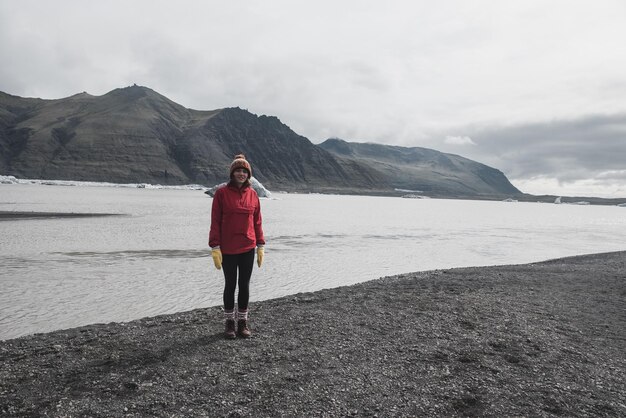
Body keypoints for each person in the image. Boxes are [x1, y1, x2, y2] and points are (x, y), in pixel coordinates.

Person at [209, 154, 265, 339]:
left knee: (244, 285)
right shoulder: (221, 194)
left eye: (244, 171)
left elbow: (257, 222)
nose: (241, 174)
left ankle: (242, 323)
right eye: (238, 171)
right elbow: (215, 221)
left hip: (248, 247)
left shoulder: (253, 195)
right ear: (232, 173)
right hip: (228, 248)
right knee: (230, 285)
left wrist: (260, 245)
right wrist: (215, 246)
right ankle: (229, 324)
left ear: (248, 174)